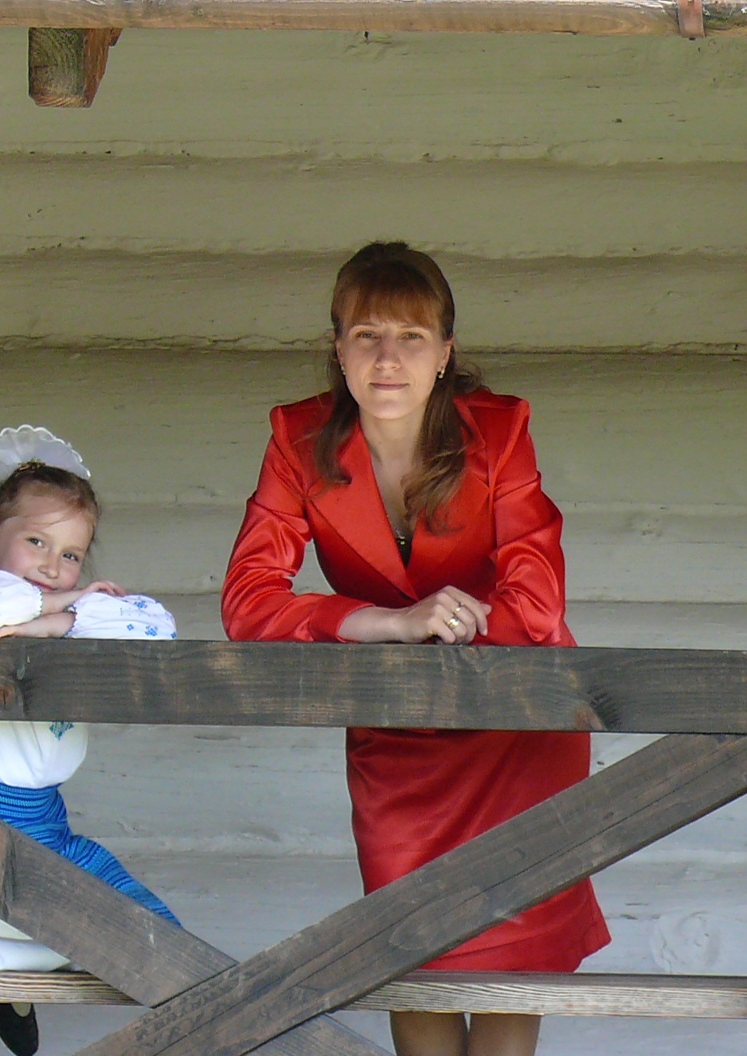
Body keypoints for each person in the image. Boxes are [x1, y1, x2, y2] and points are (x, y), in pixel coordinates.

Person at [221, 242, 609, 1056]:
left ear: (445, 355)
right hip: (394, 735)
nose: (388, 359)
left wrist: (446, 628)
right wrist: (387, 623)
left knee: (512, 966)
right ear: (337, 350)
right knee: (407, 956)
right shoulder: (297, 439)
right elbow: (249, 602)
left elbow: (537, 602)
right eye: (366, 335)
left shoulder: (498, 430)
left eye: (411, 337)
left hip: (514, 725)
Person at [0, 425, 179, 1056]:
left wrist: (68, 617)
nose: (54, 567)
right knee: (142, 944)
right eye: (36, 542)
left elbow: (156, 628)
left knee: (156, 938)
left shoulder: (72, 616)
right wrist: (51, 610)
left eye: (72, 555)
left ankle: (17, 982)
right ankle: (12, 977)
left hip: (46, 834)